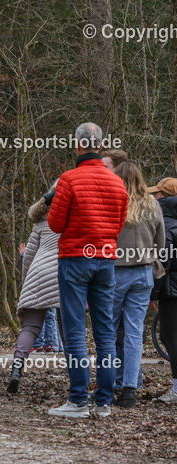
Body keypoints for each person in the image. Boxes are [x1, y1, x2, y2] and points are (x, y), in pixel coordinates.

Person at [46, 123, 128, 418]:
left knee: (75, 331)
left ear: (78, 145)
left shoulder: (69, 180)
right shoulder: (118, 183)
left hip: (74, 258)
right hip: (106, 259)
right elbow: (118, 224)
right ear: (101, 144)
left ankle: (78, 399)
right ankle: (104, 401)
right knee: (105, 331)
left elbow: (55, 224)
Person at [111, 163, 165, 408]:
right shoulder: (153, 205)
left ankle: (108, 384)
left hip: (115, 272)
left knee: (107, 332)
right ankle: (130, 388)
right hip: (144, 272)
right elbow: (160, 244)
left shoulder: (113, 204)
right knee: (134, 333)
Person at [8, 186, 61, 393]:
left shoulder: (41, 223)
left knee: (30, 328)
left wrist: (26, 282)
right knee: (69, 332)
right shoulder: (73, 220)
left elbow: (28, 256)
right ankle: (77, 380)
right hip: (64, 272)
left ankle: (16, 369)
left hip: (38, 273)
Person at [148, 177, 177, 404]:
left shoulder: (166, 223)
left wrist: (153, 294)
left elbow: (162, 264)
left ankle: (176, 389)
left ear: (165, 197)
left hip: (172, 293)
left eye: (156, 194)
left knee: (171, 338)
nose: (153, 197)